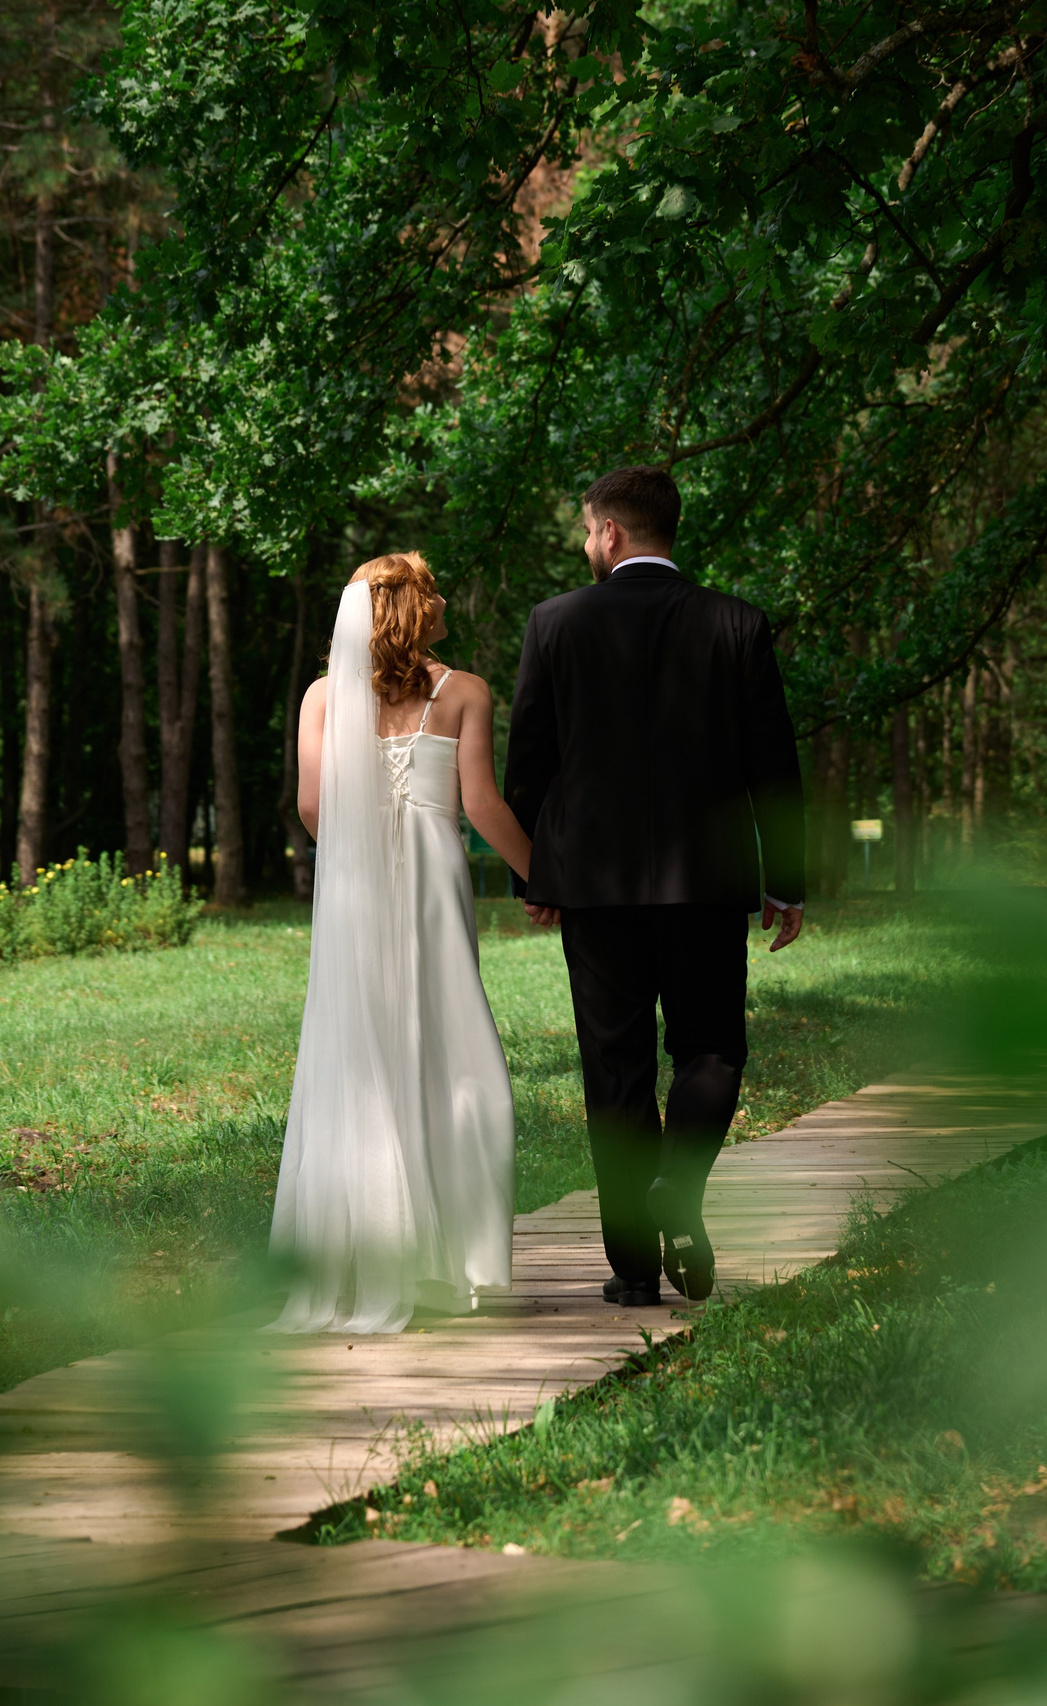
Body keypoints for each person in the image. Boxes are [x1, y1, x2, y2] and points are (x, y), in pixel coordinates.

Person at [504, 466, 806, 1308]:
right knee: (711, 1048)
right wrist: (786, 881)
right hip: (705, 884)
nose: (585, 542)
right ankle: (680, 1185)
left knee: (616, 1068)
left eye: (586, 529)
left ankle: (634, 1268)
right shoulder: (736, 624)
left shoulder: (554, 623)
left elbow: (528, 764)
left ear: (612, 533)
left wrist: (535, 871)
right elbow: (771, 766)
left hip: (594, 891)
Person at [268, 553, 534, 1335]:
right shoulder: (464, 694)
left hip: (353, 889)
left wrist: (361, 843)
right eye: (433, 589)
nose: (445, 598)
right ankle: (455, 1264)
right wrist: (544, 879)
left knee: (362, 1055)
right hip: (430, 883)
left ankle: (360, 1255)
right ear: (414, 609)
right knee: (454, 1056)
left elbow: (314, 805)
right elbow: (481, 804)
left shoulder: (323, 698)